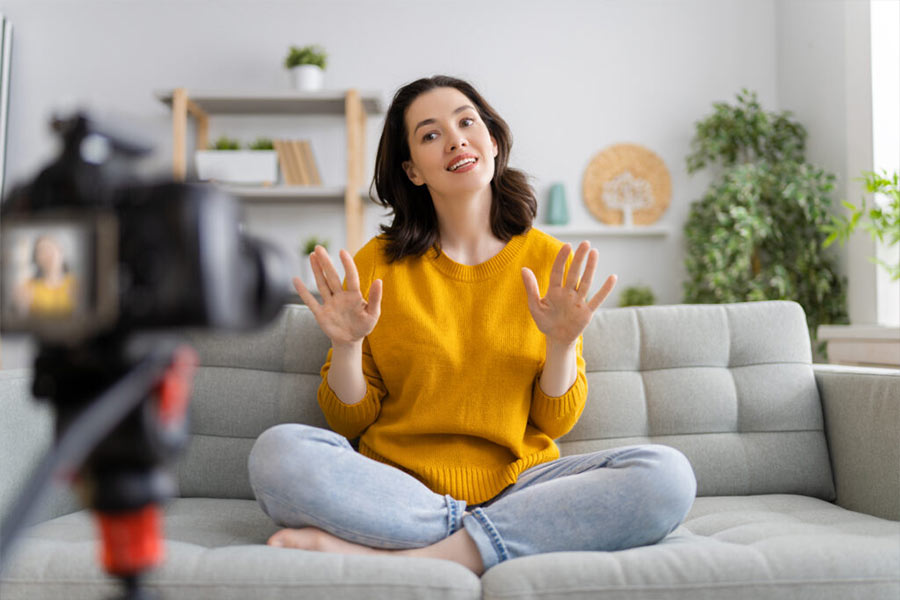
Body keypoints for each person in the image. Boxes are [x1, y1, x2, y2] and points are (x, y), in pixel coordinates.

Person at [248, 75, 697, 575]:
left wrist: (562, 343)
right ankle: (489, 541)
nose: (456, 138)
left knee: (667, 476)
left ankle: (411, 554)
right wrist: (347, 345)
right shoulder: (375, 264)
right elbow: (350, 422)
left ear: (493, 140)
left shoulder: (549, 260)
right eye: (430, 134)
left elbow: (555, 423)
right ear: (413, 171)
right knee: (278, 454)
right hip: (399, 485)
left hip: (521, 488)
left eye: (466, 121)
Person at [14, 234, 77, 317]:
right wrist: (21, 307)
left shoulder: (76, 284)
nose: (48, 254)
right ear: (36, 259)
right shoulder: (27, 287)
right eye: (42, 251)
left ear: (61, 251)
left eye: (51, 248)